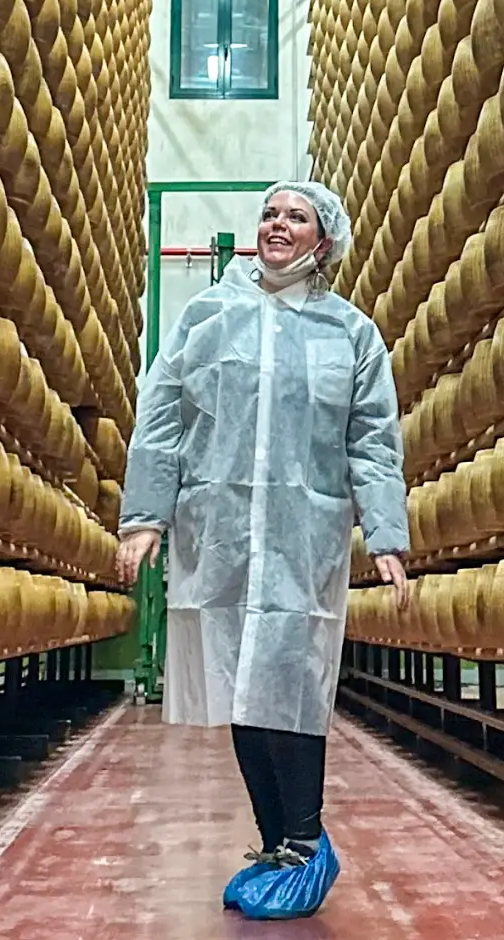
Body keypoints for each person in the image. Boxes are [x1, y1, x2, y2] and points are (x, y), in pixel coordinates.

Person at [115, 181, 411, 921]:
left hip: (301, 539)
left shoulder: (351, 334)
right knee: (240, 688)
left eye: (295, 217)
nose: (278, 225)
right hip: (219, 530)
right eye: (270, 214)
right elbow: (161, 417)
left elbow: (372, 443)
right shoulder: (209, 315)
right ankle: (276, 842)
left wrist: (386, 535)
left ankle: (307, 842)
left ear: (324, 241)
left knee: (293, 688)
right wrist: (145, 516)